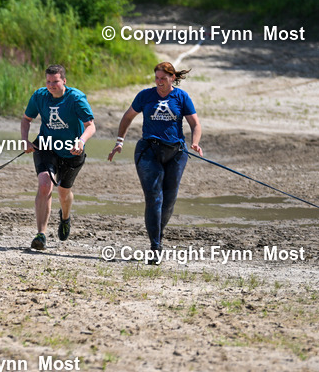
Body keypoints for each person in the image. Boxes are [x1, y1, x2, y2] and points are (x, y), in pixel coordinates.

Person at [107, 62, 202, 263]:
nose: (159, 82)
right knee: (154, 197)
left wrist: (195, 143)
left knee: (169, 200)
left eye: (163, 79)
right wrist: (119, 142)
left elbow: (195, 124)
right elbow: (127, 117)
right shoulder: (145, 96)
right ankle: (155, 247)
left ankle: (157, 234)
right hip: (148, 151)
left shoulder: (181, 97)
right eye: (157, 78)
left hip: (176, 153)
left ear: (172, 78)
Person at [21, 64, 96, 251]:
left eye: (55, 82)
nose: (51, 85)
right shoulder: (40, 96)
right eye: (48, 81)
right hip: (46, 146)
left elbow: (91, 126)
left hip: (72, 151)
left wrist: (81, 141)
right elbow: (26, 119)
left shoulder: (76, 98)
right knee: (45, 184)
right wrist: (25, 141)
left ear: (64, 81)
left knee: (63, 192)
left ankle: (65, 217)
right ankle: (41, 234)